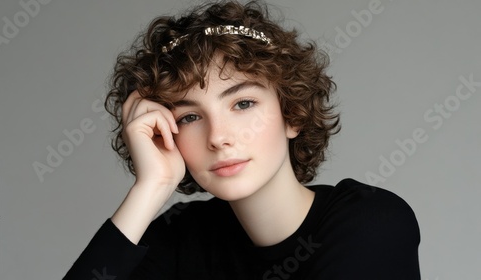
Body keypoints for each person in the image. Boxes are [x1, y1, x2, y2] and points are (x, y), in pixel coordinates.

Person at [63, 1, 421, 279]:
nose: (218, 137)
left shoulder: (371, 223)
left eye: (243, 103)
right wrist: (151, 188)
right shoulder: (181, 237)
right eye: (190, 117)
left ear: (292, 114)